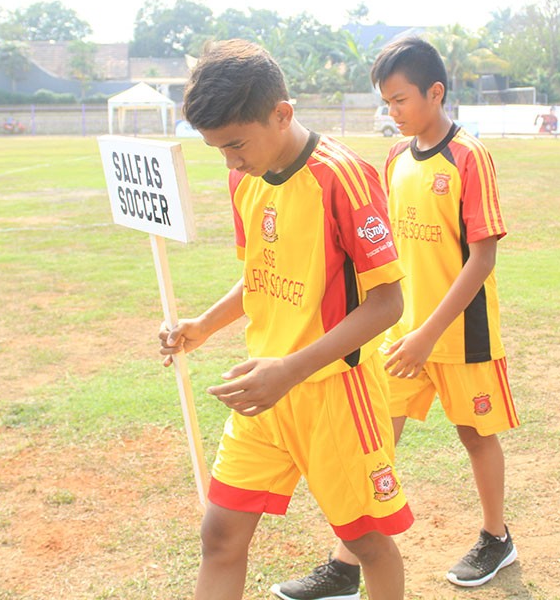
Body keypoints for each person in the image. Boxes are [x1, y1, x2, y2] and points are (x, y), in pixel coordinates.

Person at [158, 40, 412, 600]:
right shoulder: (244, 177)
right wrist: (203, 325)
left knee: (367, 541)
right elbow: (261, 273)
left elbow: (388, 302)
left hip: (333, 396)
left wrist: (291, 370)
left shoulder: (342, 177)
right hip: (261, 394)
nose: (230, 161)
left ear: (282, 114)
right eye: (217, 149)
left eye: (235, 145)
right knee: (220, 534)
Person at [274, 37, 518, 599]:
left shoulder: (469, 157)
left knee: (476, 436)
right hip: (401, 337)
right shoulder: (395, 158)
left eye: (401, 99)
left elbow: (482, 257)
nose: (393, 112)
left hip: (460, 335)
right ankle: (344, 565)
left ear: (436, 92)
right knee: (376, 439)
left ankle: (496, 537)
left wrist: (430, 333)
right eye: (386, 102)